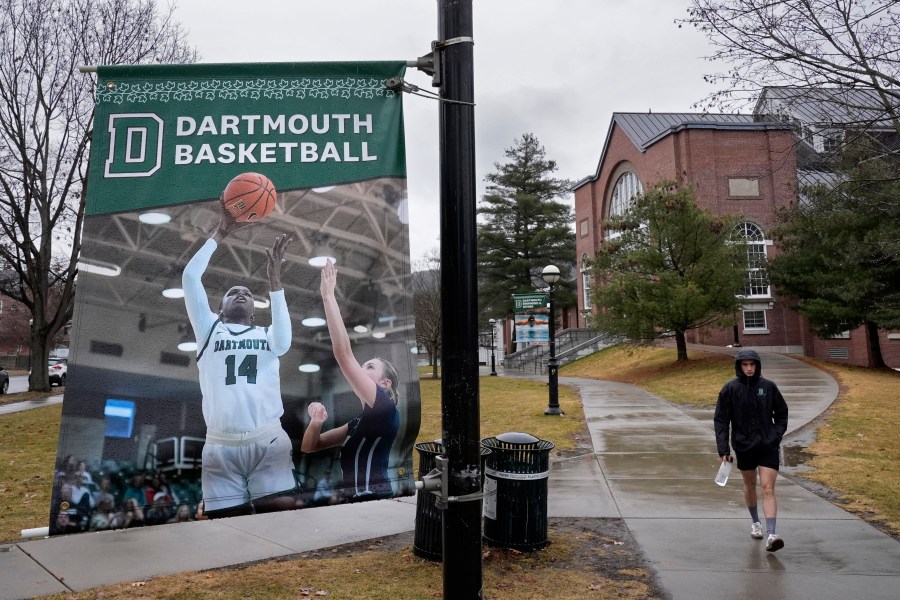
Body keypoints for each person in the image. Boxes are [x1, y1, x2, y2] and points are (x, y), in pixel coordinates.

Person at [182, 203, 296, 518]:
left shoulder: (267, 335)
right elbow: (191, 278)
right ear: (219, 308)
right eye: (233, 292)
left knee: (281, 521)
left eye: (246, 292)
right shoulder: (208, 329)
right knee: (225, 532)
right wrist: (220, 232)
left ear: (255, 311)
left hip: (268, 438)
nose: (241, 293)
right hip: (220, 445)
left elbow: (285, 343)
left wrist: (276, 285)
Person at [301, 260, 400, 501]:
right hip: (353, 503)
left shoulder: (385, 408)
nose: (361, 368)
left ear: (384, 384)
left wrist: (328, 296)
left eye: (369, 367)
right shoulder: (357, 422)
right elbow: (309, 447)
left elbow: (343, 354)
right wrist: (315, 422)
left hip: (374, 500)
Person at [714, 349, 789, 552]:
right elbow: (721, 421)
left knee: (767, 488)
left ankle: (772, 534)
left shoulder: (768, 387)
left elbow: (782, 413)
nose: (749, 368)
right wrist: (724, 449)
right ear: (739, 366)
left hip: (767, 446)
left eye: (752, 365)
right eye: (745, 365)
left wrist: (775, 435)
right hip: (743, 445)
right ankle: (756, 522)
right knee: (749, 484)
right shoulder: (730, 389)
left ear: (757, 366)